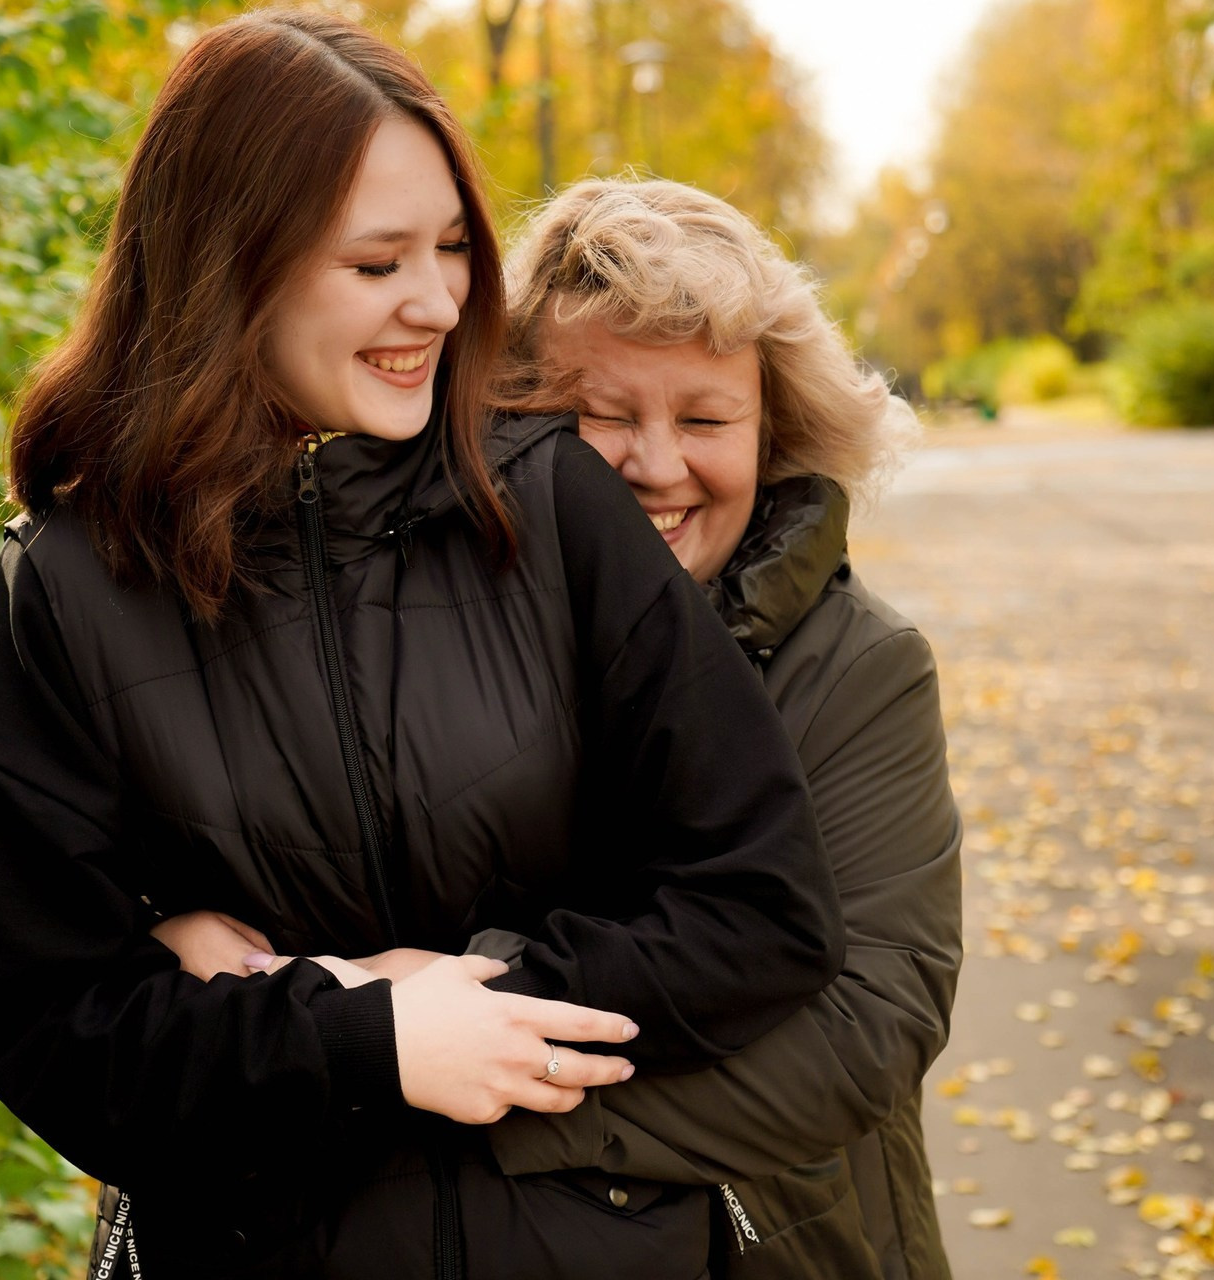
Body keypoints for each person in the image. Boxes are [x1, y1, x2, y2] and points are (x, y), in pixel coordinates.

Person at [0, 18, 847, 1280]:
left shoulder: (551, 504)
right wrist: (357, 1038)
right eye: (376, 262)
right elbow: (54, 1031)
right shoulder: (69, 583)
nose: (435, 300)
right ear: (230, 268)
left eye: (447, 247)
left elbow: (763, 908)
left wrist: (463, 996)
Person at [482, 177, 964, 1280]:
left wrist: (470, 1088)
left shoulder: (858, 668)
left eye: (704, 419)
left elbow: (861, 1033)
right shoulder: (448, 642)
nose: (657, 466)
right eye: (601, 416)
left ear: (774, 427)